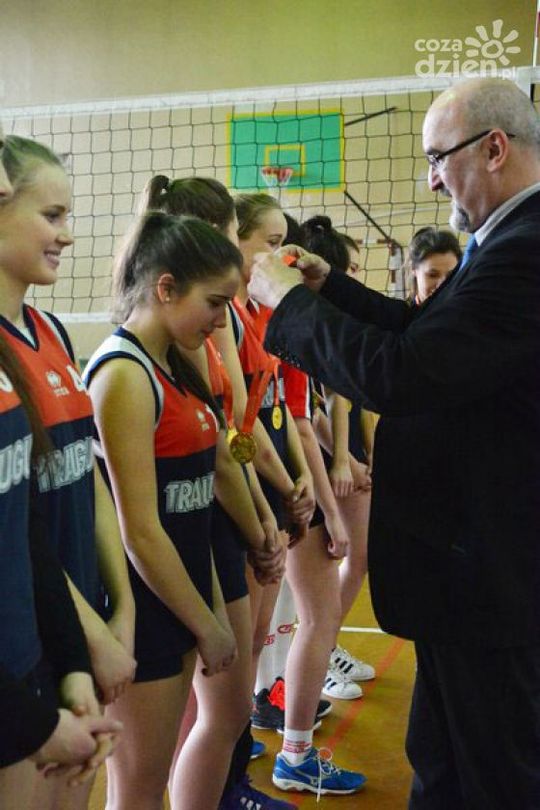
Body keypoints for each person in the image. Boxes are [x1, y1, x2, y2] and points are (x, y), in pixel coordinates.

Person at [248, 76, 540, 808]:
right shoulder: (502, 240)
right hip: (470, 579)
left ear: (494, 148)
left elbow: (404, 374)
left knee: (494, 776)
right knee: (442, 763)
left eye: (439, 157)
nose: (431, 178)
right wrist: (331, 288)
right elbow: (422, 331)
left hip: (490, 578)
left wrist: (287, 305)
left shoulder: (525, 250)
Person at [136, 175, 297, 810]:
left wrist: (269, 511)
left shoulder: (213, 327)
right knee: (170, 742)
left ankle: (226, 790)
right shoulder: (137, 366)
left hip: (228, 522)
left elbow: (233, 431)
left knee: (225, 707)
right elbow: (228, 438)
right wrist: (265, 514)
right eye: (253, 237)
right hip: (193, 544)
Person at [84, 212, 246, 810]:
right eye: (214, 302)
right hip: (145, 609)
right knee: (138, 788)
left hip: (177, 599)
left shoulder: (174, 365)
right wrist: (207, 623)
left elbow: (193, 515)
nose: (221, 320)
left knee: (153, 781)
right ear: (166, 288)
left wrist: (211, 613)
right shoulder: (124, 374)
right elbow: (141, 533)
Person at [0, 134, 136, 810]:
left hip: (47, 639)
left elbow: (36, 518)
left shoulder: (49, 333)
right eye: (51, 215)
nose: (67, 235)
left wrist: (115, 616)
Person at [235, 197, 366, 797]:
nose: (281, 255)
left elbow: (301, 414)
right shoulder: (245, 321)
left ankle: (257, 733)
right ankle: (290, 750)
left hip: (288, 487)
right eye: (270, 242)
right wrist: (321, 503)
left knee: (276, 625)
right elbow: (282, 424)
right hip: (272, 491)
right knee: (308, 618)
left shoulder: (269, 317)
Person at [301, 215, 375, 694]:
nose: (355, 277)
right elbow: (315, 409)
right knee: (333, 563)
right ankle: (317, 654)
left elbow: (348, 397)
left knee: (356, 556)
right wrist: (341, 458)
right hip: (322, 454)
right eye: (351, 268)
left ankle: (326, 644)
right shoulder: (308, 323)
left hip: (343, 450)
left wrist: (363, 451)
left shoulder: (342, 321)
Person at [406, 226, 462, 304]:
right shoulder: (400, 311)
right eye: (433, 275)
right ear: (414, 269)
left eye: (451, 276)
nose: (442, 285)